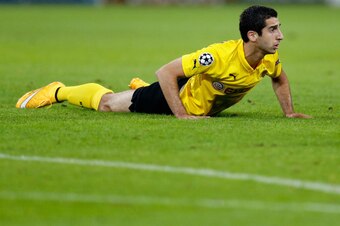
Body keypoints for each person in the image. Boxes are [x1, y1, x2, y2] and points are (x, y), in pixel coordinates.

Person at [16, 5, 311, 119]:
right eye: (273, 29)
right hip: (179, 96)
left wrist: (289, 113)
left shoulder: (267, 58)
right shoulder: (218, 56)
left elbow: (279, 79)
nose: (281, 36)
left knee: (147, 90)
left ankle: (142, 89)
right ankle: (58, 91)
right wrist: (183, 116)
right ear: (252, 35)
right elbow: (167, 71)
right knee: (108, 104)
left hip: (193, 97)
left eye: (279, 28)